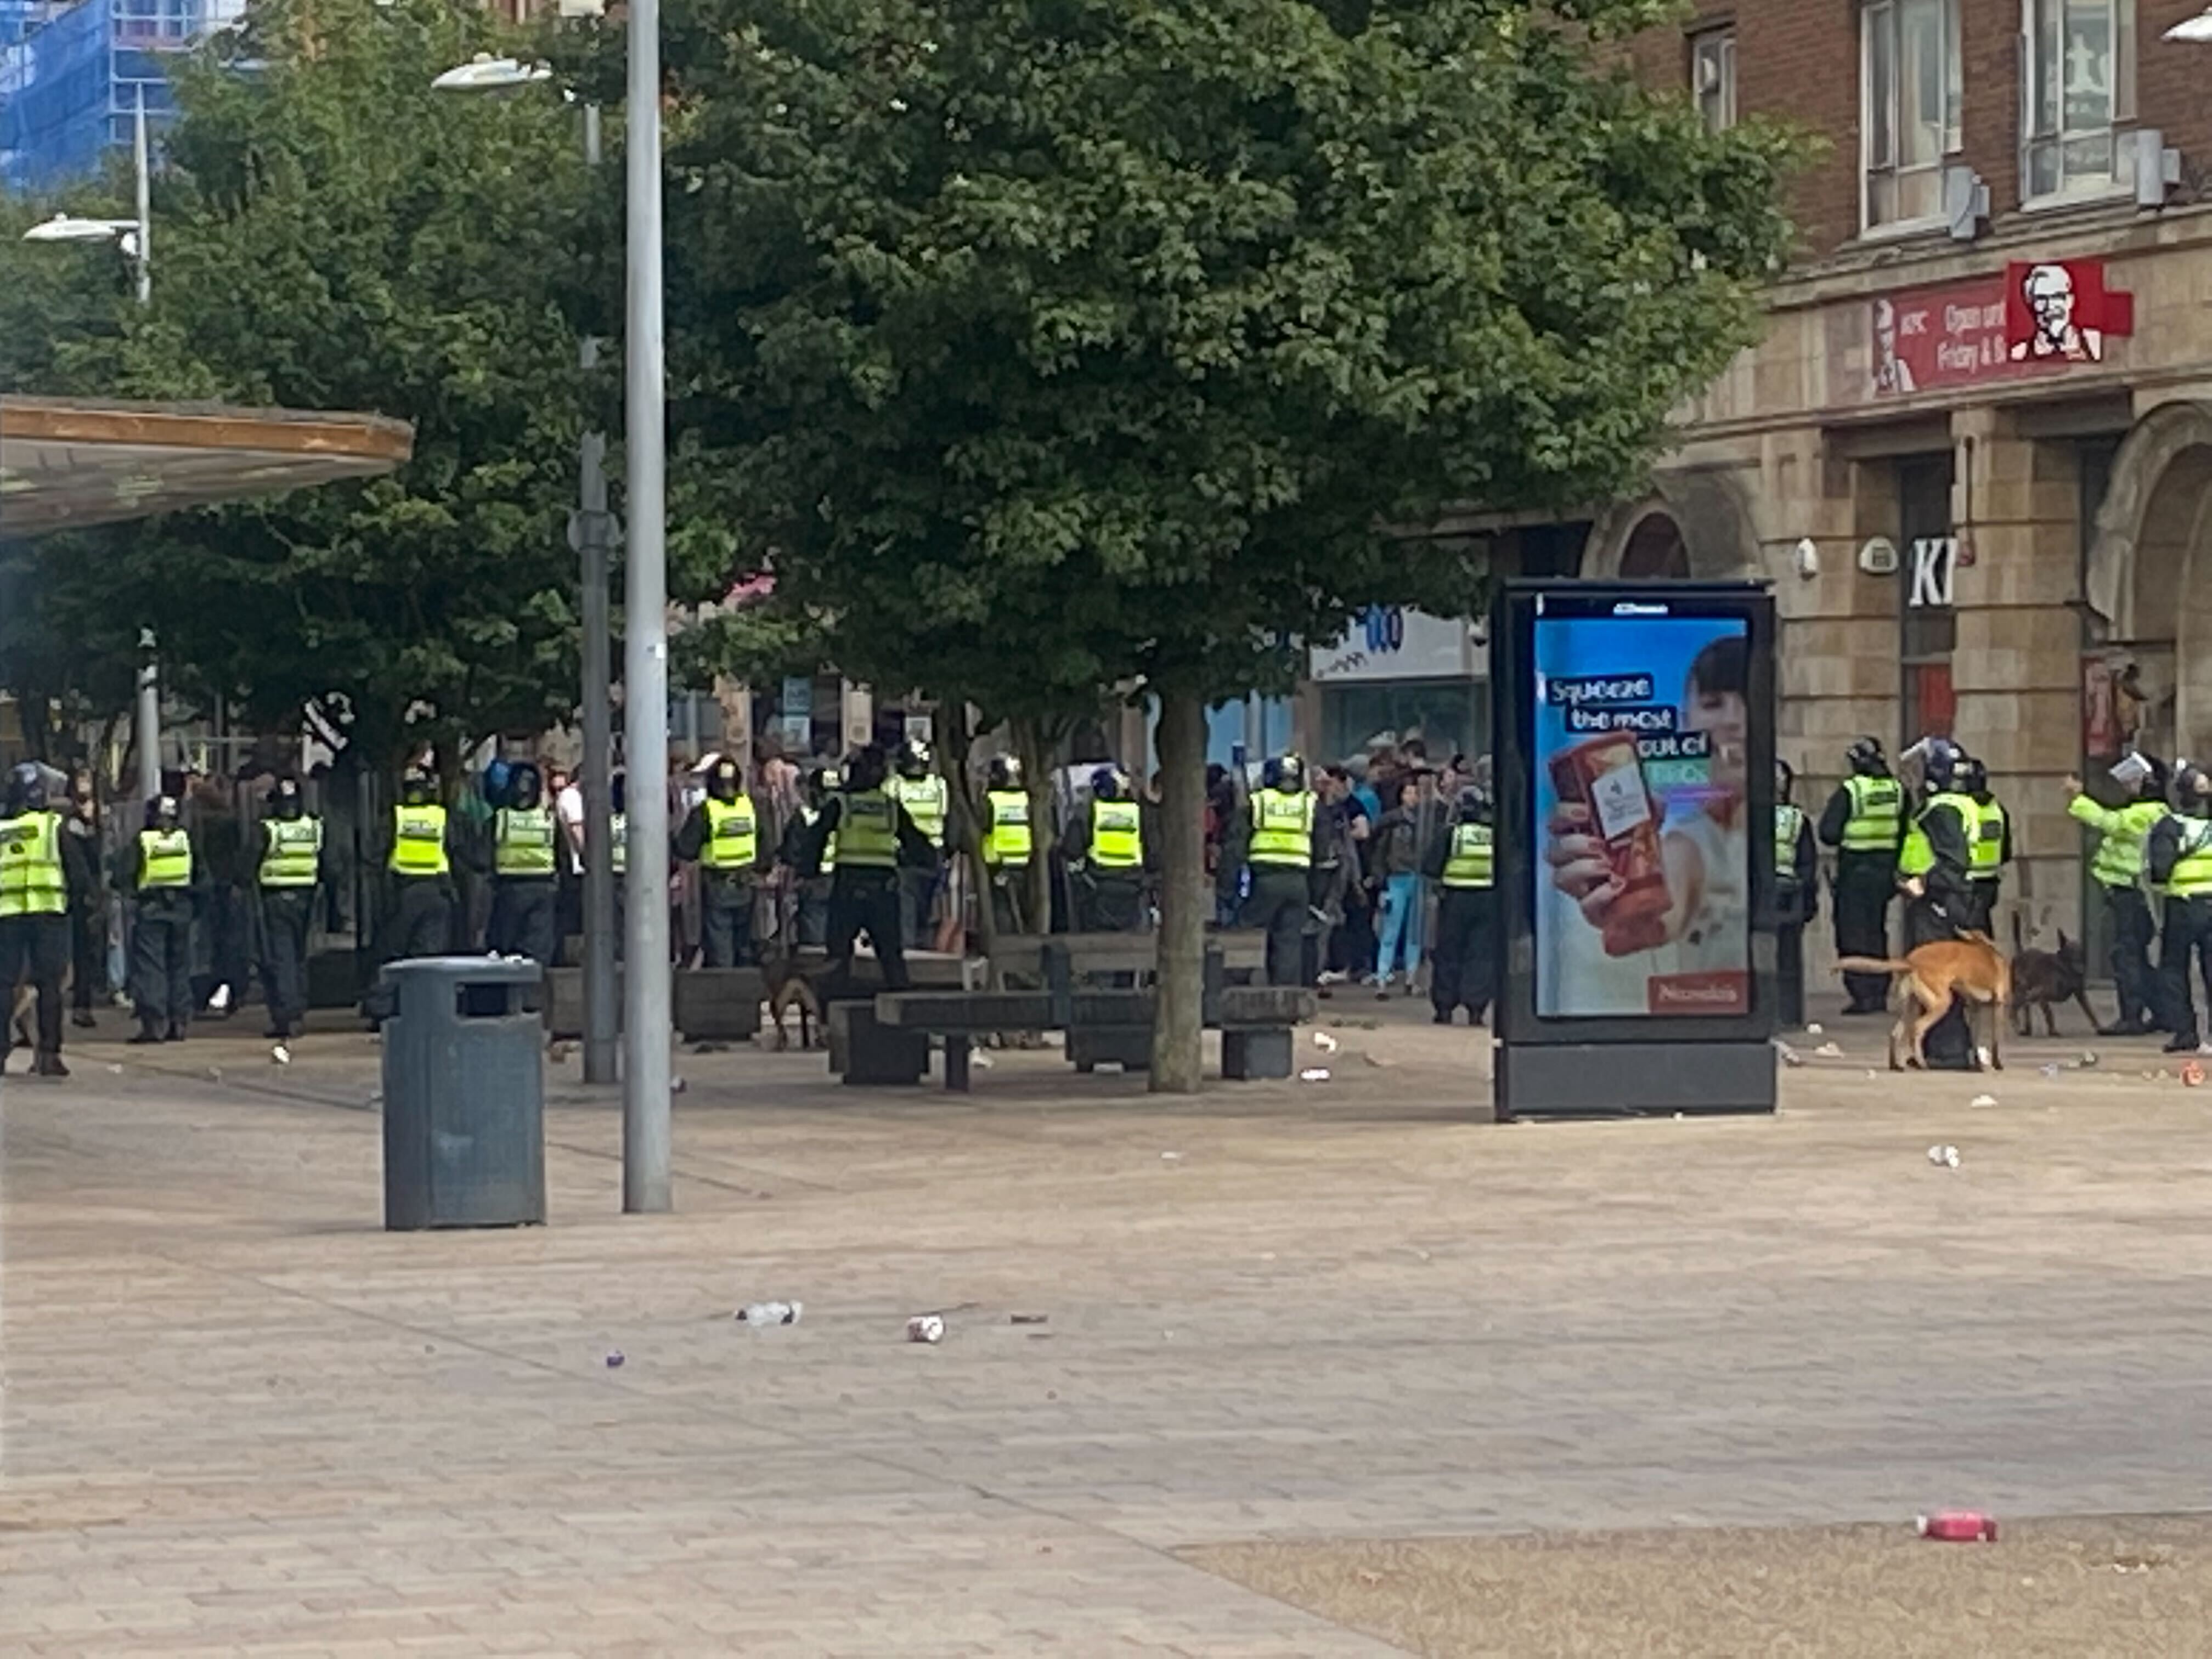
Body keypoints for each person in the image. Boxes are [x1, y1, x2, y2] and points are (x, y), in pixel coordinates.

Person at [800, 744, 936, 992]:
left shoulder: (841, 803)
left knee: (838, 956)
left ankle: (835, 1010)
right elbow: (916, 843)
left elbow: (815, 839)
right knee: (891, 957)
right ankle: (904, 1012)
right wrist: (927, 861)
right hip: (883, 888)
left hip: (848, 886)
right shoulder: (889, 806)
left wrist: (808, 872)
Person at [2068, 755, 2171, 1035]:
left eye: (2135, 781)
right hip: (2125, 891)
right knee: (2132, 955)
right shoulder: (2147, 810)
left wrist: (2078, 798)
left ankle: (2133, 1016)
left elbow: (2109, 822)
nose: (2128, 787)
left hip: (2132, 892)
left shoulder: (2147, 812)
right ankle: (2164, 1011)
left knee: (2126, 956)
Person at [1896, 738, 1981, 1069]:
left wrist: (1924, 883)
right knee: (1941, 975)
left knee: (1938, 975)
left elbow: (1952, 863)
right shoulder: (1955, 805)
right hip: (1946, 900)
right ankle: (1942, 1050)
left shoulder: (1942, 809)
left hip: (1939, 902)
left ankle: (1949, 1051)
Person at [1, 762, 88, 1075]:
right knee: (50, 987)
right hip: (49, 915)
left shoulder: (2, 831)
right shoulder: (53, 827)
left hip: (8, 917)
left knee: (4, 986)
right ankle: (49, 1054)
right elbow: (78, 874)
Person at [1819, 735, 1905, 1015]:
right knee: (1876, 931)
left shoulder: (1852, 790)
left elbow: (1828, 833)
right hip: (1885, 873)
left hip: (1855, 872)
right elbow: (1906, 830)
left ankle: (1862, 993)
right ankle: (1879, 991)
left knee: (1853, 933)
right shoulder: (1897, 789)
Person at [253, 775, 335, 1041]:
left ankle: (287, 1015)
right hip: (308, 899)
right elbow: (331, 865)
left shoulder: (270, 829)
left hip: (276, 898)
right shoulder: (314, 826)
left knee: (282, 958)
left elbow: (246, 864)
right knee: (299, 957)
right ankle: (297, 1011)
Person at [117, 793, 199, 1045]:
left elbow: (124, 874)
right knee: (180, 967)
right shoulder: (185, 839)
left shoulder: (143, 840)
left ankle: (155, 1024)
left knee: (151, 968)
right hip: (181, 909)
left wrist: (127, 891)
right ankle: (179, 1021)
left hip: (151, 909)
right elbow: (200, 874)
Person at [672, 754, 766, 968]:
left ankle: (725, 991)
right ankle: (745, 987)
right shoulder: (750, 808)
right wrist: (761, 870)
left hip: (718, 885)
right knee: (744, 943)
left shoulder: (707, 811)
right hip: (746, 883)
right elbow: (766, 841)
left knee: (720, 943)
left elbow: (686, 849)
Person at [1235, 753, 1318, 986]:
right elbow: (1322, 847)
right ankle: (1285, 997)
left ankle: (1235, 992)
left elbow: (1237, 843)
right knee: (1289, 942)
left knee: (1246, 935)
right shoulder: (1308, 803)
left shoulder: (1259, 801)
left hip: (1266, 880)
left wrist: (1227, 886)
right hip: (1298, 882)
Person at [2148, 763, 2212, 1056]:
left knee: (2174, 968)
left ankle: (2186, 1032)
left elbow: (2160, 869)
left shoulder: (2172, 825)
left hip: (2183, 905)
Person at [1424, 782, 1494, 1026]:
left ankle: (1444, 1009)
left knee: (1448, 954)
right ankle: (1476, 1010)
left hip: (1454, 900)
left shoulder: (1452, 833)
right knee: (1481, 955)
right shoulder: (1494, 835)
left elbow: (1430, 867)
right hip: (1487, 901)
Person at [383, 765, 459, 966]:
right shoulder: (441, 816)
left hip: (405, 892)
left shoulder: (397, 816)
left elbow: (375, 852)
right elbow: (460, 850)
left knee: (396, 959)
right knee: (429, 960)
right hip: (437, 892)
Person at [487, 761, 560, 967]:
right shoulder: (547, 818)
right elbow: (560, 852)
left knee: (505, 953)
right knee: (537, 956)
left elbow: (483, 852)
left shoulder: (502, 818)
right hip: (543, 888)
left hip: (509, 889)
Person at [1064, 765, 1148, 933]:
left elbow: (1073, 848)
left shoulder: (1088, 812)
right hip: (1132, 883)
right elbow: (1151, 846)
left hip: (1098, 883)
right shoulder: (1136, 812)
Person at [888, 738, 949, 949]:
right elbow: (947, 817)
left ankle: (910, 946)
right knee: (931, 904)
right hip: (933, 852)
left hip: (906, 854)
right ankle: (926, 944)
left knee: (908, 904)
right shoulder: (938, 785)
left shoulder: (894, 784)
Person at [1773, 759, 1819, 1030]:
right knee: (1789, 960)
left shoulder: (1746, 815)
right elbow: (1807, 862)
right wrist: (1809, 899)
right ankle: (1790, 1014)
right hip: (1790, 891)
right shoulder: (1797, 819)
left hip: (1759, 893)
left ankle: (1767, 1013)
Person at [1369, 777, 1425, 996]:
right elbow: (1379, 851)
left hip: (1417, 879)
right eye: (1409, 793)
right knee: (1390, 931)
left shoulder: (1423, 822)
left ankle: (1411, 978)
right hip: (1396, 878)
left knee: (1415, 933)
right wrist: (1379, 878)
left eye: (1416, 794)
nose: (1413, 798)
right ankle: (1382, 976)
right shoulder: (1390, 821)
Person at [63, 769, 103, 1028]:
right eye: (80, 781)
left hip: (90, 894)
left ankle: (83, 1004)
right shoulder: (68, 821)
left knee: (86, 952)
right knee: (72, 953)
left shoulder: (100, 816)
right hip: (73, 895)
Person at [980, 754, 1033, 934]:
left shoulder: (991, 800)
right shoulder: (1026, 799)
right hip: (1025, 861)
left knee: (1002, 908)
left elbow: (983, 826)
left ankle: (1005, 941)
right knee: (1025, 906)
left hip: (998, 862)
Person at [1959, 757, 2011, 934]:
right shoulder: (1997, 809)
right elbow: (2006, 852)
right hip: (1989, 884)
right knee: (1983, 931)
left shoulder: (1961, 809)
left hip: (1964, 884)